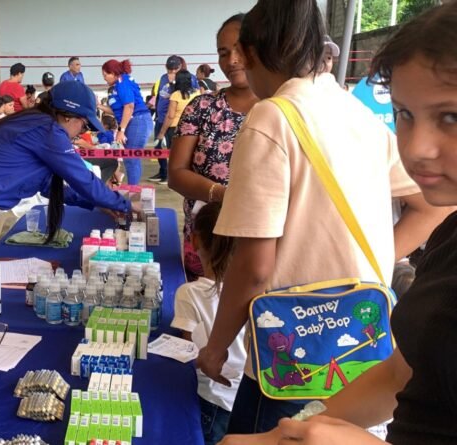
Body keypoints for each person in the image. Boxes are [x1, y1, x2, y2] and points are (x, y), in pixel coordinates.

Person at [194, 0, 452, 435]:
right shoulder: (357, 113)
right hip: (362, 331)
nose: (421, 144)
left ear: (253, 54)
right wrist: (368, 263)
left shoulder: (271, 116)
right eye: (407, 115)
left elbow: (254, 266)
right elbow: (431, 206)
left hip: (293, 342)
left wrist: (216, 347)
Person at [0, 81, 140, 304]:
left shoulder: (32, 123)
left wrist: (98, 203)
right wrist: (124, 205)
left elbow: (49, 185)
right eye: (85, 125)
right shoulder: (46, 129)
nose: (82, 132)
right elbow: (83, 178)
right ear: (69, 116)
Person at [167, 14, 260, 280]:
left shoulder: (280, 109)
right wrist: (223, 195)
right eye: (223, 52)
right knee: (201, 311)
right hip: (206, 244)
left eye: (240, 49)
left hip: (262, 245)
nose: (231, 60)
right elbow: (176, 173)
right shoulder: (202, 107)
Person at [172, 202, 246, 445]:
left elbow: (188, 351)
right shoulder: (256, 295)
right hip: (242, 397)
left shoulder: (189, 293)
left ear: (194, 241)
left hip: (210, 397)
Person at [98, 59, 153, 185]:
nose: (104, 79)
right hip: (133, 122)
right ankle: (134, 192)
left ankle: (134, 194)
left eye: (105, 75)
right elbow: (118, 111)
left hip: (138, 121)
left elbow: (129, 106)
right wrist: (98, 106)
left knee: (131, 158)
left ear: (113, 73)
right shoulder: (118, 85)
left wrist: (121, 131)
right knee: (131, 159)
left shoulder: (123, 82)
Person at [154, 69, 200, 184]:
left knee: (174, 156)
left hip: (175, 129)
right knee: (189, 155)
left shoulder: (176, 95)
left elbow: (170, 116)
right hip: (192, 128)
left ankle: (172, 178)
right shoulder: (197, 93)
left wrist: (161, 133)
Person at [149, 55, 185, 183]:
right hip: (161, 119)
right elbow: (159, 95)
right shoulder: (163, 78)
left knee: (173, 150)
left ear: (180, 67)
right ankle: (163, 171)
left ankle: (171, 176)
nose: (172, 72)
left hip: (174, 120)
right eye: (170, 69)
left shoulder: (187, 78)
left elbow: (185, 96)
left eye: (175, 69)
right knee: (158, 147)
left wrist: (173, 83)